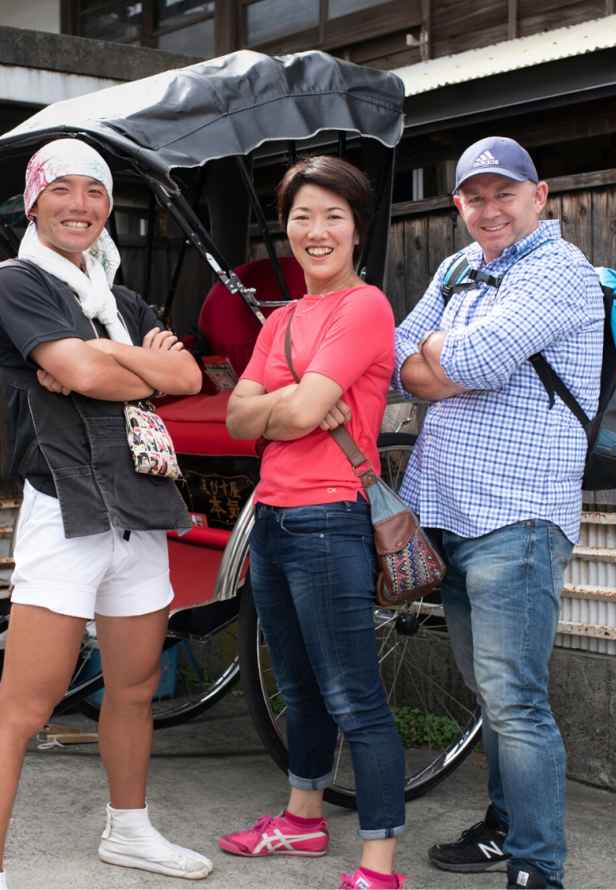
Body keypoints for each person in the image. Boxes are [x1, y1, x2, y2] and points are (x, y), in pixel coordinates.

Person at [0, 138, 212, 889]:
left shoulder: (122, 298)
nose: (80, 205)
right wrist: (127, 364)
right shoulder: (15, 281)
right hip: (64, 509)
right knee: (24, 705)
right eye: (62, 189)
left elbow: (188, 373)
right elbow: (75, 369)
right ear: (33, 202)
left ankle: (129, 832)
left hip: (137, 506)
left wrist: (113, 363)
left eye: (95, 192)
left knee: (134, 687)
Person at [391, 136, 602, 890]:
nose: (490, 209)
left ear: (538, 196)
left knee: (515, 699)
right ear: (459, 206)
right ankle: (504, 826)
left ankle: (539, 868)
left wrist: (442, 360)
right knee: (490, 694)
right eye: (474, 197)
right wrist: (441, 361)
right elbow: (395, 356)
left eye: (503, 193)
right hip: (450, 510)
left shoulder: (559, 269)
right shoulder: (459, 269)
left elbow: (475, 363)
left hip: (518, 517)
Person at [221, 156, 406, 890]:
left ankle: (379, 868)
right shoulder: (286, 318)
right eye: (302, 216)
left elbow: (288, 413)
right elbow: (241, 417)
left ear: (358, 229)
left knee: (353, 695)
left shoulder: (365, 308)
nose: (316, 231)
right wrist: (286, 403)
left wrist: (282, 404)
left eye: (333, 216)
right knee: (295, 688)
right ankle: (301, 820)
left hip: (330, 519)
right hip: (271, 517)